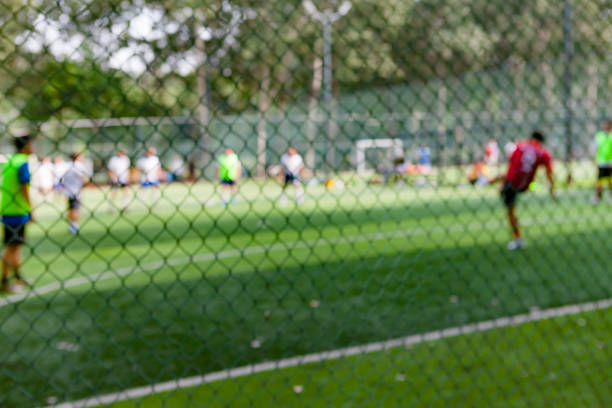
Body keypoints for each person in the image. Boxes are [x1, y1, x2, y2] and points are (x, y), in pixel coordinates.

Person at [490, 131, 555, 251]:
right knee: (510, 200)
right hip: (525, 184)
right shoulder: (542, 152)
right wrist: (552, 188)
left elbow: (511, 165)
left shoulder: (520, 146)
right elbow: (549, 171)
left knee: (510, 212)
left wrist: (505, 182)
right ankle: (490, 181)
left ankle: (518, 239)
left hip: (512, 181)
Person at [1, 132, 34, 293]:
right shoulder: (22, 162)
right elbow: (23, 188)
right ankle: (4, 281)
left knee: (15, 245)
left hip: (7, 208)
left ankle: (18, 278)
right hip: (17, 211)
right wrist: (30, 209)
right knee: (11, 247)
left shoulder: (10, 161)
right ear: (26, 145)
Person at [62, 153, 91, 235]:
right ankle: (74, 226)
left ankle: (71, 225)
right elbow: (85, 178)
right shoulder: (79, 166)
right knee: (76, 209)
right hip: (76, 191)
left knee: (71, 209)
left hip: (68, 191)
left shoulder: (67, 165)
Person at [591, 120, 612, 205]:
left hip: (611, 162)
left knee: (611, 182)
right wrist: (595, 160)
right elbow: (595, 148)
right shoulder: (599, 135)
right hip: (601, 162)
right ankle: (597, 197)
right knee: (599, 182)